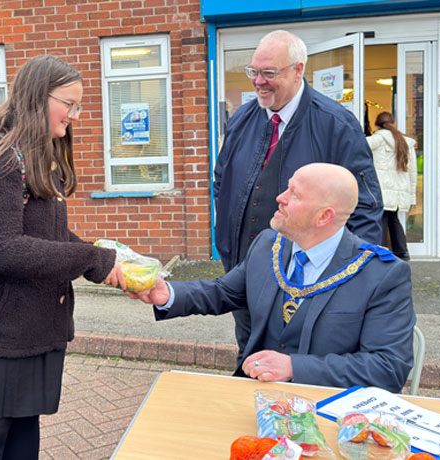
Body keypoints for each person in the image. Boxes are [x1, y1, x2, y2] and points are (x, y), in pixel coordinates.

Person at [0, 55, 125, 460]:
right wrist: (91, 258)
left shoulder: (37, 155)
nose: (74, 115)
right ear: (38, 97)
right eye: (68, 104)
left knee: (23, 431)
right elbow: (1, 248)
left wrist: (103, 259)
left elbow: (45, 235)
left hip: (24, 324)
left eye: (78, 106)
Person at [128, 163, 414, 393]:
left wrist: (294, 367)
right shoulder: (269, 244)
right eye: (287, 187)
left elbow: (387, 368)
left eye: (295, 194)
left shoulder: (382, 274)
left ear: (324, 216)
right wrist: (167, 294)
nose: (280, 198)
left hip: (331, 412)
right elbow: (224, 292)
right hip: (256, 397)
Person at [212, 30, 384, 363]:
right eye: (253, 72)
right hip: (249, 276)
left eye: (269, 74)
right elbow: (222, 182)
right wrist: (228, 253)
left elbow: (364, 208)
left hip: (311, 286)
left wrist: (352, 283)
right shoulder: (241, 121)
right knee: (251, 361)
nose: (258, 82)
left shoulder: (336, 125)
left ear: (297, 70)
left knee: (302, 370)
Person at [367, 111, 417, 260]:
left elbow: (357, 147)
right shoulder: (406, 142)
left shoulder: (378, 138)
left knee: (381, 219)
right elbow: (412, 171)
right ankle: (402, 252)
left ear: (376, 126)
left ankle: (382, 252)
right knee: (394, 219)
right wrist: (412, 195)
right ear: (394, 124)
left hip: (382, 188)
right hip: (399, 190)